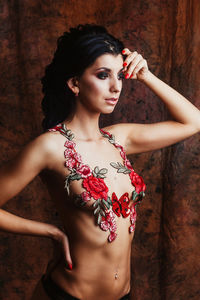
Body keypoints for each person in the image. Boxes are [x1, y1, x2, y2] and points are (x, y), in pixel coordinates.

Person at [0, 24, 200, 300]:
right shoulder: (50, 146)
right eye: (103, 75)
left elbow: (194, 121)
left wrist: (146, 75)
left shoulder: (120, 138)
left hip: (123, 294)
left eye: (119, 75)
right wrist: (50, 232)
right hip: (68, 294)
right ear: (75, 83)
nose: (116, 86)